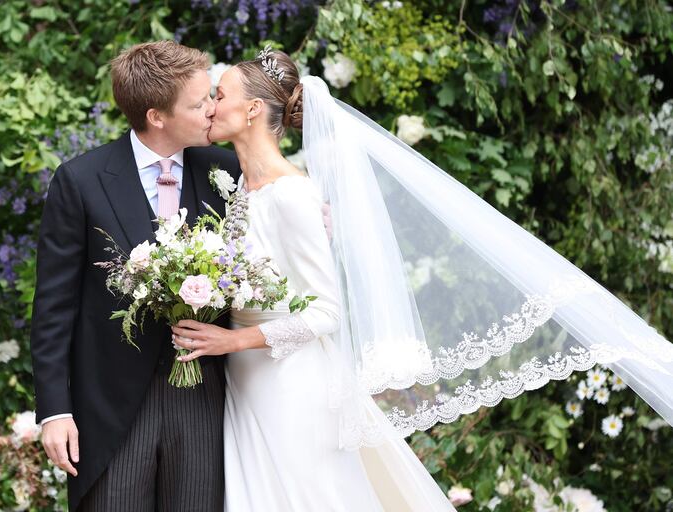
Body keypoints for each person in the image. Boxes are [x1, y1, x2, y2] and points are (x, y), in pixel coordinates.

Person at [171, 46, 673, 510]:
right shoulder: (240, 190)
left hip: (290, 384)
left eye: (220, 95)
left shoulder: (292, 195)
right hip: (246, 381)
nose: (211, 106)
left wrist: (232, 341)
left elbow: (325, 312)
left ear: (254, 109)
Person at [30, 41, 241, 511]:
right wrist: (55, 411)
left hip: (204, 396)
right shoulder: (80, 181)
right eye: (199, 102)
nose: (213, 109)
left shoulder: (227, 172)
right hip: (110, 406)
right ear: (157, 116)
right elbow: (53, 307)